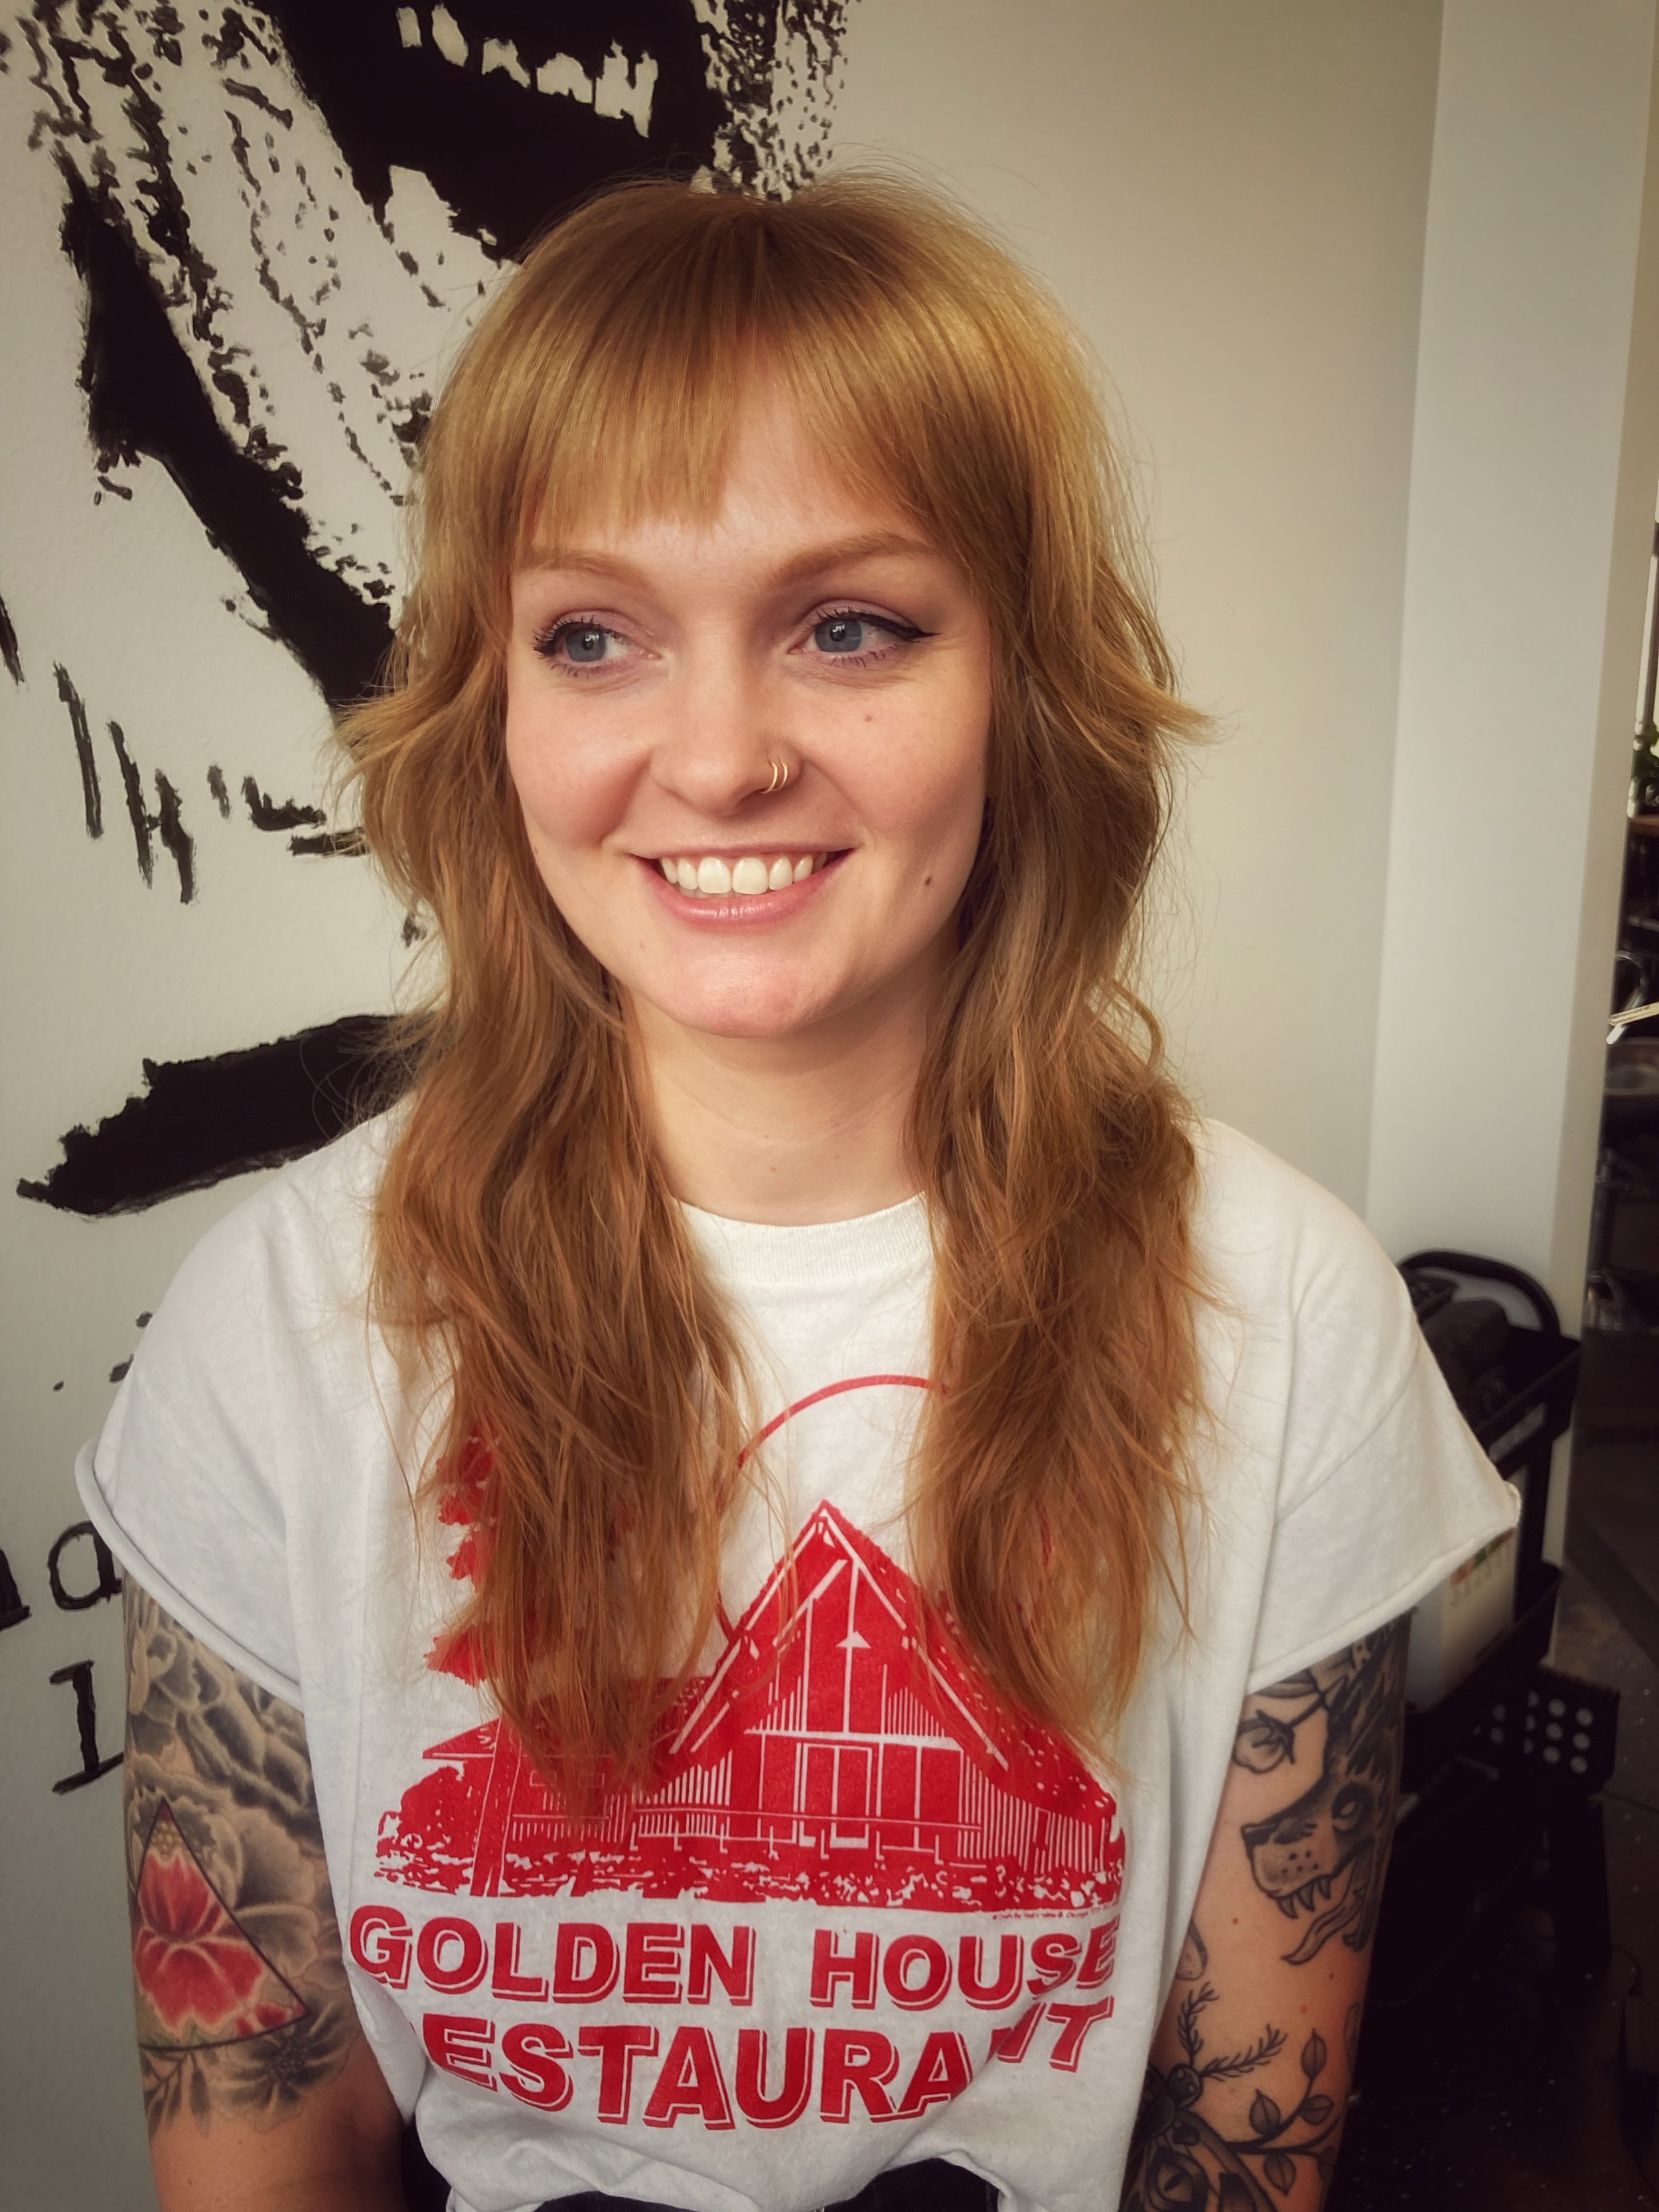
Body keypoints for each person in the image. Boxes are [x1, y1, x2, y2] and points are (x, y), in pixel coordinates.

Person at [80, 175, 1514, 2212]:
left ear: (1021, 684)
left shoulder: (1280, 1313)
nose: (722, 754)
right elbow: (264, 2130)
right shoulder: (278, 1326)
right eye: (594, 635)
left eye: (850, 625)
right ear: (495, 710)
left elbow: (1243, 2132)